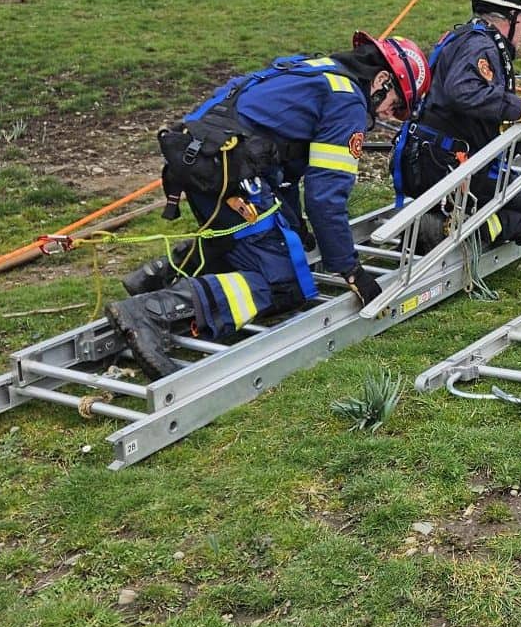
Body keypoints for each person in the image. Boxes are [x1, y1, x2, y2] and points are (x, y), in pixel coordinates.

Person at [103, 33, 429, 378]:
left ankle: (160, 273)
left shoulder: (314, 70)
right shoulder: (347, 102)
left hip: (200, 159)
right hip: (230, 174)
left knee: (265, 244)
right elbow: (325, 196)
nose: (387, 114)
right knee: (283, 286)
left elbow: (284, 162)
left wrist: (294, 224)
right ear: (381, 80)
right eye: (394, 103)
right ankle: (153, 312)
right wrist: (351, 270)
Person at [393, 0, 521, 252]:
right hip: (450, 164)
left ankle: (439, 221)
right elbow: (464, 93)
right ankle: (450, 230)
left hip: (430, 158)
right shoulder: (483, 47)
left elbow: (478, 119)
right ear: (512, 16)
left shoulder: (465, 38)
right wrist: (518, 108)